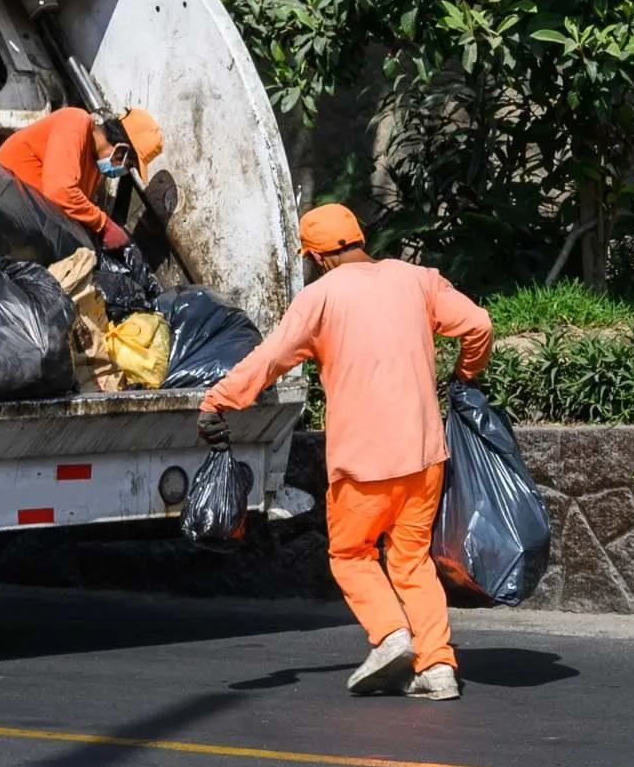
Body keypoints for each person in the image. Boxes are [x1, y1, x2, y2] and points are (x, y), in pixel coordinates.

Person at [197, 204, 492, 701]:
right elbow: (478, 323)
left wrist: (218, 401)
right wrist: (466, 373)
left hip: (364, 463)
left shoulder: (319, 297)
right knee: (412, 562)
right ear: (358, 239)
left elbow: (268, 359)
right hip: (424, 455)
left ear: (317, 256)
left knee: (351, 554)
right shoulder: (415, 279)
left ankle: (390, 634)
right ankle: (438, 666)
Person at [0, 106, 163, 251]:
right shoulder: (75, 122)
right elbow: (59, 192)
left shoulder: (95, 170)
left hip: (22, 220)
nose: (126, 170)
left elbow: (71, 210)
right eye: (130, 164)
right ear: (121, 151)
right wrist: (104, 225)